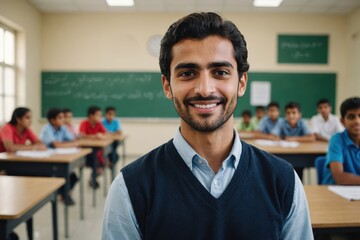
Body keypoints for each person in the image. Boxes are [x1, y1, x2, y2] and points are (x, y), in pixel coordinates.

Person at [102, 12, 312, 240]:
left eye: (220, 72)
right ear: (167, 86)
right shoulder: (130, 188)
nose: (204, 89)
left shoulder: (283, 180)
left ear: (241, 83)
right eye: (187, 73)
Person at [40, 108, 79, 205]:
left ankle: (63, 194)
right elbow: (56, 145)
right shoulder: (47, 129)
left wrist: (68, 144)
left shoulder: (63, 128)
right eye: (60, 118)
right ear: (52, 120)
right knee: (64, 176)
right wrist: (70, 144)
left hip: (60, 158)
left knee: (73, 177)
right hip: (47, 160)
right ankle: (63, 195)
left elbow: (73, 140)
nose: (63, 120)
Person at [322, 97, 360, 185]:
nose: (357, 121)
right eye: (351, 117)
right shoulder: (336, 140)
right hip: (334, 192)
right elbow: (340, 178)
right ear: (342, 121)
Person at [79, 105, 107, 189]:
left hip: (97, 151)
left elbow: (105, 133)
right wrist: (94, 136)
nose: (100, 117)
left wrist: (101, 135)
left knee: (103, 163)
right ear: (91, 116)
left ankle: (93, 177)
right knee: (96, 162)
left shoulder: (99, 124)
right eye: (98, 115)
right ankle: (93, 178)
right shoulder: (84, 123)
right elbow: (82, 135)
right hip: (87, 151)